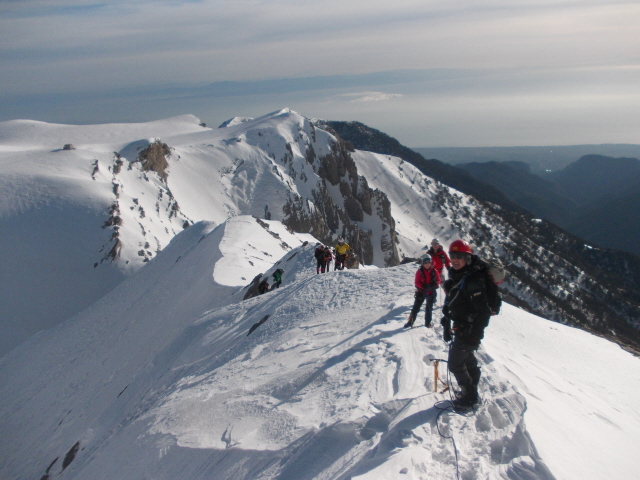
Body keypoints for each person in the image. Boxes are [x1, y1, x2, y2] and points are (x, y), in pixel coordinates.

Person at [440, 239, 493, 409]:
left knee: (455, 364)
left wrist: (475, 337)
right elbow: (454, 304)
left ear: (467, 258)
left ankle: (469, 396)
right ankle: (472, 389)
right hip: (461, 327)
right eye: (452, 255)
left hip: (468, 330)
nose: (455, 259)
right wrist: (447, 323)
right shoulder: (458, 276)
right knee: (468, 360)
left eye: (459, 256)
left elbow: (484, 312)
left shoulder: (473, 281)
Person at [405, 254, 441, 328]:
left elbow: (438, 280)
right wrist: (423, 286)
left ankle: (427, 323)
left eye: (428, 262)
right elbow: (417, 282)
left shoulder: (434, 271)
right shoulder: (419, 272)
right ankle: (410, 322)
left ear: (431, 262)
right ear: (422, 263)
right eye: (425, 262)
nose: (427, 264)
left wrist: (434, 285)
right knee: (416, 308)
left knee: (429, 309)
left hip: (431, 292)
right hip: (421, 292)